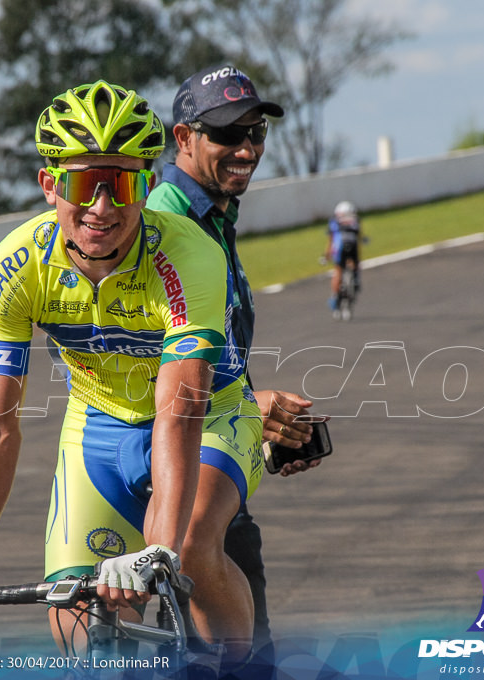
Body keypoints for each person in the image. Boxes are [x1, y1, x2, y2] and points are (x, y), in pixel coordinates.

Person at [0, 80, 271, 664]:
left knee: (191, 546)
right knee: (78, 619)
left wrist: (160, 550)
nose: (102, 207)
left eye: (120, 184)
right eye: (83, 184)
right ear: (50, 186)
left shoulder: (189, 254)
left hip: (213, 419)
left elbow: (182, 405)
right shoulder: (15, 267)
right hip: (97, 429)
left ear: (145, 184)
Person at [146, 64, 321, 656]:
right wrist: (253, 404)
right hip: (171, 476)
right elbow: (147, 366)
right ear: (185, 138)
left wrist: (258, 427)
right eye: (228, 134)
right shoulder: (168, 225)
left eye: (257, 133)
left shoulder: (213, 215)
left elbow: (206, 352)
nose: (247, 148)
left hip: (212, 456)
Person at [325, 200, 364, 311]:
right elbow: (358, 238)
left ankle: (335, 296)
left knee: (338, 269)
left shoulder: (334, 221)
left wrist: (327, 254)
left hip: (340, 248)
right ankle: (355, 280)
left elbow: (331, 240)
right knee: (354, 263)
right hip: (353, 247)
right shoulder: (356, 220)